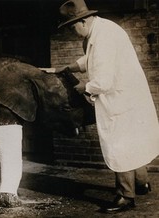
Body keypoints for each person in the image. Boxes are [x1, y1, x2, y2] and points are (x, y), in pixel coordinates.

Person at [46, 0, 159, 213]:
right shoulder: (103, 29)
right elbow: (94, 58)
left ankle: (126, 196)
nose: (73, 32)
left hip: (119, 98)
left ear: (84, 20)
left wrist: (84, 87)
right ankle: (141, 183)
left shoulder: (103, 37)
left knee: (120, 144)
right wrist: (72, 66)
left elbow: (103, 81)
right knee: (134, 140)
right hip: (130, 96)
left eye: (72, 27)